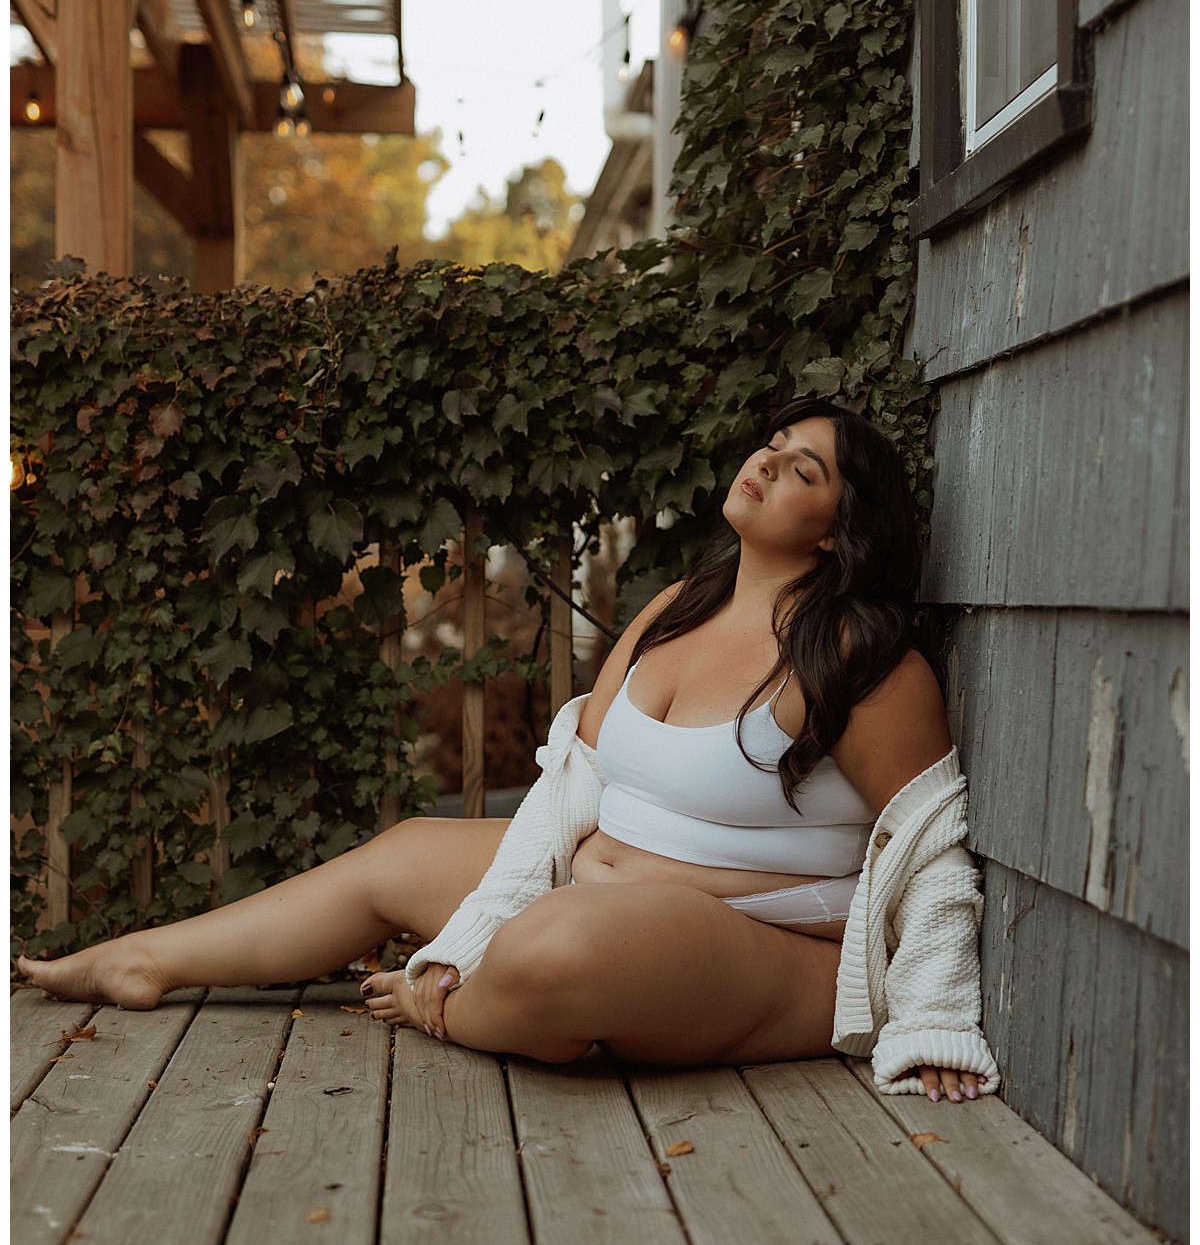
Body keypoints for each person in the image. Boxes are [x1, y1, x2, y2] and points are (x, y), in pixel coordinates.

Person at [18, 397, 999, 1105]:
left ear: (838, 531)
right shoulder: (675, 609)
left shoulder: (861, 656)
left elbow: (932, 852)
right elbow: (568, 788)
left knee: (556, 944)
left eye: (804, 469)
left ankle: (458, 1008)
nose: (768, 462)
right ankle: (141, 959)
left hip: (769, 952)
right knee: (406, 850)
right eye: (772, 445)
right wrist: (470, 924)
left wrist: (932, 1020)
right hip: (601, 896)